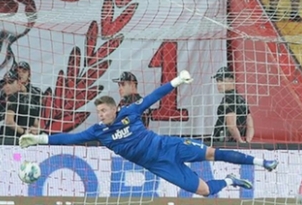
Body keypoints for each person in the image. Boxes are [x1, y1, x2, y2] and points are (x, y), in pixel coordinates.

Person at [20, 70, 278, 197]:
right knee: (205, 191)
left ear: (113, 109)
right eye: (98, 112)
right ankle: (231, 181)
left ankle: (262, 162)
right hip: (159, 165)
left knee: (214, 153)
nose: (100, 115)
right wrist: (39, 139)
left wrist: (176, 81)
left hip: (169, 146)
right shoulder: (99, 132)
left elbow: (154, 96)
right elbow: (69, 138)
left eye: (103, 110)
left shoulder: (130, 112)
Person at [212, 67, 254, 144]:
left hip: (224, 143)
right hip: (234, 143)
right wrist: (247, 142)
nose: (219, 84)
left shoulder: (229, 99)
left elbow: (231, 126)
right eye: (217, 81)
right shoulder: (241, 99)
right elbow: (250, 124)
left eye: (222, 80)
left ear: (231, 80)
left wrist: (240, 141)